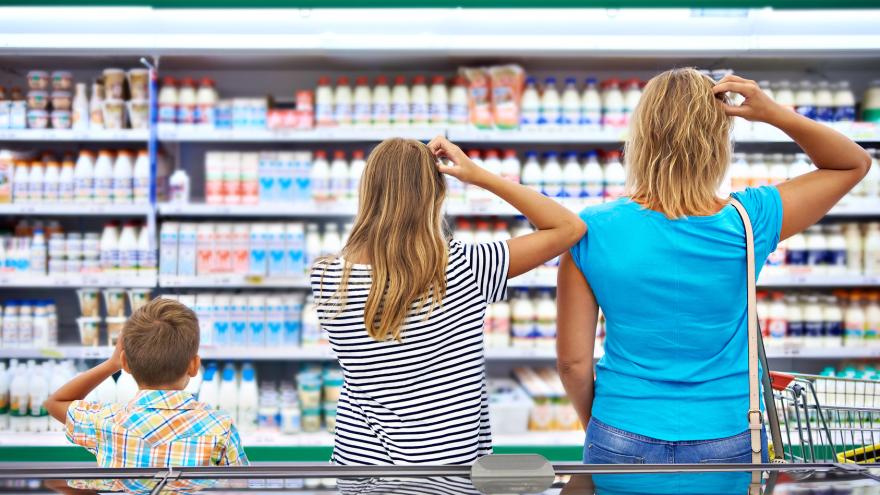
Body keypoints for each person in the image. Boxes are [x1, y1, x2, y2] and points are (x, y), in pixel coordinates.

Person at [556, 69, 871, 464]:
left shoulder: (591, 228)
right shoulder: (750, 218)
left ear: (640, 137)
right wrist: (775, 114)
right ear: (719, 139)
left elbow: (572, 363)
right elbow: (851, 164)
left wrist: (603, 426)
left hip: (621, 425)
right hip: (726, 428)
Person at [311, 137, 585, 465]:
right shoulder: (467, 267)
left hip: (360, 467)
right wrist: (479, 175)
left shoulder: (326, 278)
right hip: (446, 470)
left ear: (366, 192)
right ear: (436, 195)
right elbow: (569, 226)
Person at [45, 298, 248, 468]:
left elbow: (55, 403)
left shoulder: (105, 421)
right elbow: (240, 487)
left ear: (125, 363)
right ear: (194, 366)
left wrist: (111, 364)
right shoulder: (220, 427)